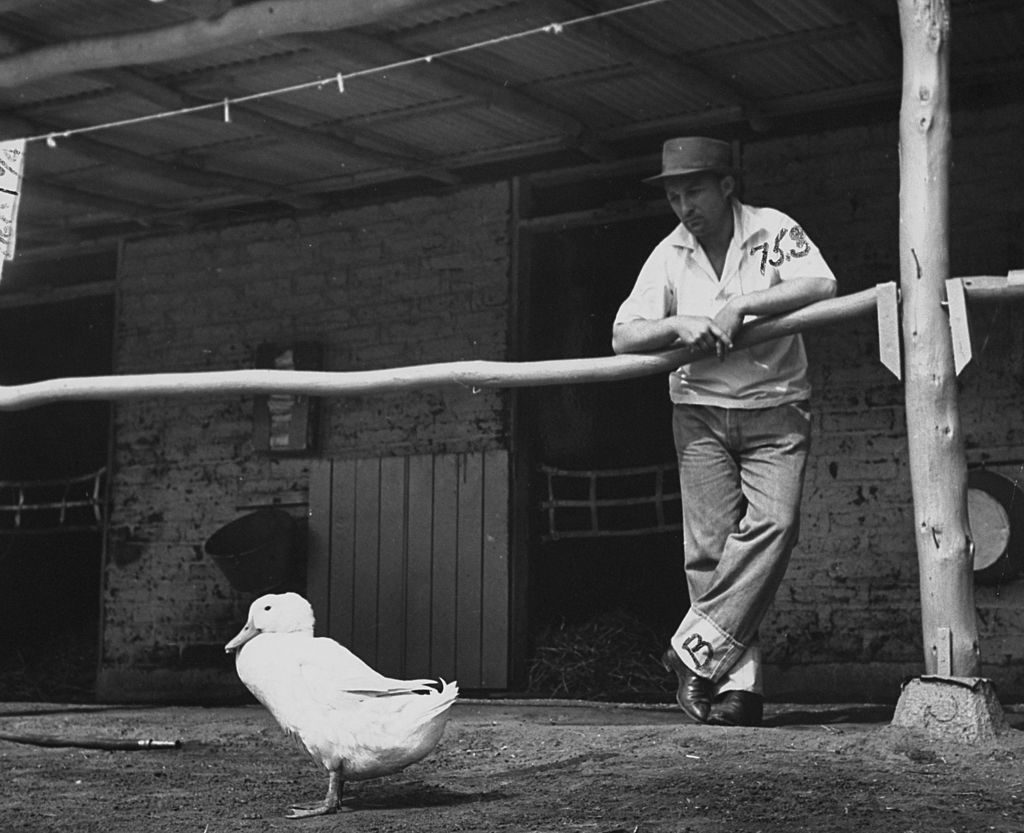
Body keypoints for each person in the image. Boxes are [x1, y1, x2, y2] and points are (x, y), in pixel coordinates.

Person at [611, 136, 836, 726]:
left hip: (776, 407)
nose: (684, 206)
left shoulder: (771, 230)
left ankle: (691, 654)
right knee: (710, 552)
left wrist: (742, 307)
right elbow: (623, 335)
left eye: (694, 191)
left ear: (727, 185)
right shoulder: (669, 254)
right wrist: (677, 324)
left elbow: (821, 284)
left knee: (775, 528)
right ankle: (739, 690)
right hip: (700, 413)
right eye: (674, 195)